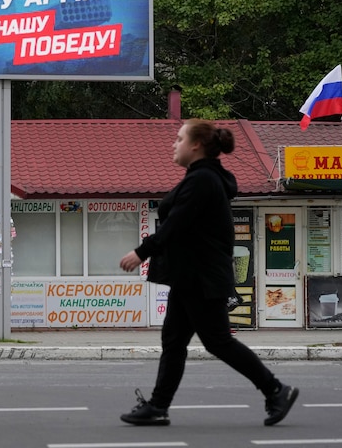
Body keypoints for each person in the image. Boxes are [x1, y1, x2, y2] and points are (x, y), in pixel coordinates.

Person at [118, 119, 298, 427]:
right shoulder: (201, 178)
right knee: (174, 342)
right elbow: (181, 224)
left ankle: (276, 389)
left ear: (196, 145)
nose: (174, 145)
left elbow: (177, 223)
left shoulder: (203, 180)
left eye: (178, 139)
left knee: (217, 341)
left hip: (201, 278)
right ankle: (158, 406)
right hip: (190, 276)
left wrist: (141, 252)